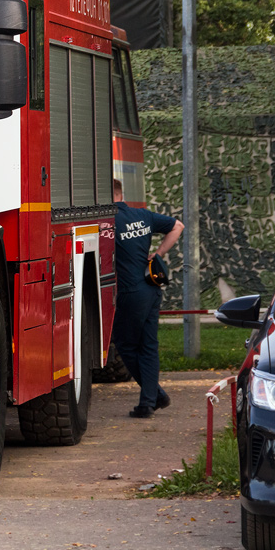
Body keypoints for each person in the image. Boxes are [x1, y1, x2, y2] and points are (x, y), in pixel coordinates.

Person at [112, 178, 184, 419]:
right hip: (151, 287)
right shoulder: (143, 215)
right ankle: (148, 402)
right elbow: (178, 226)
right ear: (122, 194)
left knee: (126, 345)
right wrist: (158, 253)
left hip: (130, 292)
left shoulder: (109, 221)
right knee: (149, 346)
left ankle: (156, 396)